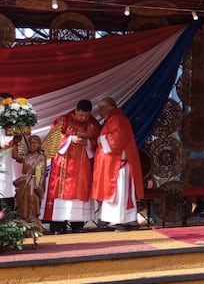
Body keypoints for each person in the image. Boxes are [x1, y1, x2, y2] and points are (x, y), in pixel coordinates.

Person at [43, 100, 101, 234]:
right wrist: (70, 139)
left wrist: (87, 142)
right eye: (81, 115)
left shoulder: (92, 123)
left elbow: (97, 140)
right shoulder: (64, 120)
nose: (83, 118)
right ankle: (58, 225)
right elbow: (53, 137)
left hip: (82, 165)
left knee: (80, 194)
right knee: (60, 193)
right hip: (63, 164)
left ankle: (77, 225)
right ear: (76, 110)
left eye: (86, 116)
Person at [92, 97, 144, 232]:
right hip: (112, 164)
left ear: (107, 108)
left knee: (119, 193)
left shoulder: (117, 118)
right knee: (117, 193)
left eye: (100, 108)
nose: (99, 111)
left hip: (117, 165)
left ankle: (121, 220)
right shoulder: (112, 118)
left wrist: (101, 139)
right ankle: (116, 220)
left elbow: (118, 139)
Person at [12, 135, 46, 233]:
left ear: (39, 145)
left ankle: (32, 218)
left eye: (34, 143)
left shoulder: (41, 157)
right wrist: (15, 144)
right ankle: (23, 217)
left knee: (32, 197)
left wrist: (39, 185)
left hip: (34, 182)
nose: (32, 145)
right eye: (30, 143)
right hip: (24, 182)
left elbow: (42, 172)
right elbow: (15, 156)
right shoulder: (26, 156)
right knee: (21, 199)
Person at [0, 92, 22, 211]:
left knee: (7, 185)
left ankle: (7, 220)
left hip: (9, 158)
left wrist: (16, 140)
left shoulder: (13, 120)